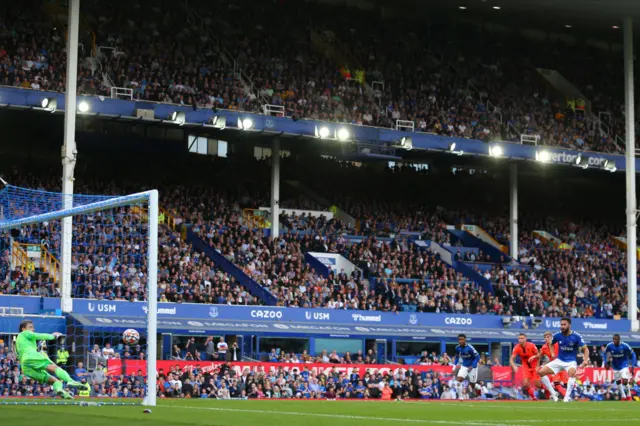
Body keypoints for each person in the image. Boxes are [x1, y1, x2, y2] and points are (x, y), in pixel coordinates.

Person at [15, 320, 89, 399]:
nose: (33, 329)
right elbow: (38, 335)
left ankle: (60, 391)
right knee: (55, 368)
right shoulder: (24, 333)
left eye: (33, 327)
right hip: (31, 356)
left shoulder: (19, 341)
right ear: (23, 328)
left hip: (25, 366)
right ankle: (70, 380)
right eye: (30, 327)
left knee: (53, 380)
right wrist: (53, 336)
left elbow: (18, 354)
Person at [538, 317, 589, 403]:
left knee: (572, 374)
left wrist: (585, 360)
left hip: (571, 362)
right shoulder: (557, 335)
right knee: (541, 372)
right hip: (559, 360)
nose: (562, 326)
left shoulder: (576, 336)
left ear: (569, 325)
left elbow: (586, 349)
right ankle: (554, 394)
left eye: (564, 324)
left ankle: (566, 398)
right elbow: (551, 343)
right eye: (561, 324)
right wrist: (553, 353)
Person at [533, 331, 567, 399]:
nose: (546, 338)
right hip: (554, 366)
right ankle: (555, 395)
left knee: (565, 383)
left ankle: (562, 396)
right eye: (545, 337)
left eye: (548, 337)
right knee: (555, 382)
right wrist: (534, 358)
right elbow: (540, 355)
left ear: (552, 337)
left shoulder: (557, 344)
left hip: (562, 364)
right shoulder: (544, 347)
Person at [605, 334, 637, 401]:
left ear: (619, 339)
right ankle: (623, 396)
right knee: (618, 382)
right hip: (615, 366)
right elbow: (605, 353)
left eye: (615, 339)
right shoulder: (610, 346)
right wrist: (606, 362)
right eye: (613, 339)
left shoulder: (625, 346)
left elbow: (633, 354)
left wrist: (633, 366)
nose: (614, 341)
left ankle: (629, 396)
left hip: (624, 365)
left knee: (625, 380)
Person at [510, 333, 540, 400]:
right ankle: (533, 397)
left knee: (537, 384)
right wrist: (514, 366)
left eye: (522, 338)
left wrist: (538, 366)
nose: (520, 340)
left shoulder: (532, 345)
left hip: (534, 366)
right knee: (525, 384)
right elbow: (511, 359)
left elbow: (538, 355)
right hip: (526, 367)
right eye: (519, 338)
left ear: (525, 339)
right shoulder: (516, 347)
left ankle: (548, 389)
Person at [453, 334, 480, 400]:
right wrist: (454, 366)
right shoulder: (457, 348)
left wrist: (472, 366)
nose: (460, 341)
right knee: (459, 379)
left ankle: (477, 386)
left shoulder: (470, 348)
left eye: (462, 339)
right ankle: (460, 396)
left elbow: (477, 357)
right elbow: (457, 357)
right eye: (459, 339)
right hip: (464, 366)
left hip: (473, 367)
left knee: (472, 385)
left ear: (465, 340)